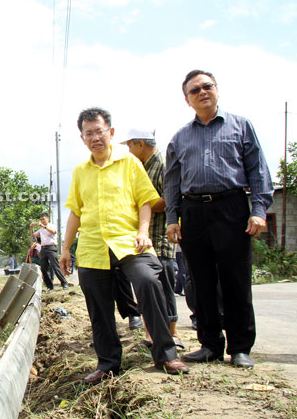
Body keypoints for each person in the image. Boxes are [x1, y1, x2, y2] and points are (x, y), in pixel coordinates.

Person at [59, 107, 188, 384]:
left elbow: (145, 200)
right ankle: (108, 364)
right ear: (82, 138)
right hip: (93, 246)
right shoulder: (81, 172)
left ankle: (165, 354)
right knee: (98, 305)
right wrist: (66, 248)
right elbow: (75, 212)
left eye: (100, 131)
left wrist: (143, 232)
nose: (95, 137)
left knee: (148, 282)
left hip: (129, 241)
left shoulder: (130, 163)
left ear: (111, 133)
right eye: (89, 133)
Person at [165, 70, 274, 369]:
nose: (202, 92)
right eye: (194, 90)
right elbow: (172, 182)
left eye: (207, 86)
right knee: (201, 281)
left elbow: (258, 170)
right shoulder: (179, 137)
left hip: (232, 208)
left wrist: (258, 210)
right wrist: (173, 217)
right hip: (194, 212)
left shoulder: (241, 126)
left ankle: (240, 347)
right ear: (187, 100)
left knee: (235, 279)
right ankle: (210, 344)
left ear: (216, 90)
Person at [122, 127, 182, 348]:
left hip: (160, 234)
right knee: (147, 287)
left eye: (129, 145)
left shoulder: (163, 165)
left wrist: (141, 204)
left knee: (164, 285)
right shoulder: (141, 166)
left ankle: (172, 334)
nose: (128, 150)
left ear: (140, 144)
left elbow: (168, 199)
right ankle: (151, 336)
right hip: (145, 237)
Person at [31, 213, 69, 291]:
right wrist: (31, 228)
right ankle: (49, 286)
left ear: (48, 219)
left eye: (43, 219)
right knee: (44, 268)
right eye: (41, 219)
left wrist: (44, 226)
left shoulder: (51, 226)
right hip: (43, 249)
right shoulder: (41, 230)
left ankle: (64, 283)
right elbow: (34, 236)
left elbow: (53, 231)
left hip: (51, 248)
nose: (42, 221)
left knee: (55, 266)